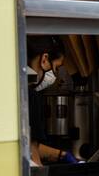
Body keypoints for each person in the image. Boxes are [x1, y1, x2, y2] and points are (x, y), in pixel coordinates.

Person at [25, 36, 80, 167]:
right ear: (44, 60)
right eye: (56, 67)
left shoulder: (17, 86)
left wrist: (61, 155)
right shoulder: (31, 94)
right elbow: (32, 152)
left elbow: (30, 144)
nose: (54, 75)